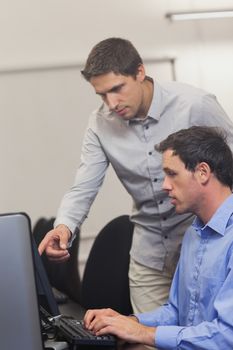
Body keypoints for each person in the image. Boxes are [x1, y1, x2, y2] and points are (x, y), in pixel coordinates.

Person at [38, 37, 233, 313]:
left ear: (140, 72)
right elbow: (83, 186)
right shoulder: (99, 123)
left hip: (204, 246)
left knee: (205, 336)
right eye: (102, 95)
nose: (112, 102)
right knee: (146, 338)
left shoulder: (195, 104)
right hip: (149, 256)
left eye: (117, 89)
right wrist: (64, 227)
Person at [83, 126, 233, 349]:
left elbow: (226, 336)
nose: (164, 185)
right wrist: (128, 322)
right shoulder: (194, 232)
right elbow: (176, 311)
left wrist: (143, 333)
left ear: (203, 172)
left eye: (172, 174)